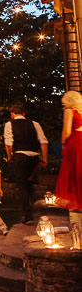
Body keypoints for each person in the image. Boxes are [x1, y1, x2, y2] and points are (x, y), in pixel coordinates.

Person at [5, 102, 49, 224]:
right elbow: (43, 141)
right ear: (23, 113)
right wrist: (44, 158)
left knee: (22, 185)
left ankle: (27, 215)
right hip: (34, 156)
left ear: (12, 114)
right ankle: (32, 210)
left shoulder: (10, 124)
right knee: (30, 185)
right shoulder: (35, 124)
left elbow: (8, 143)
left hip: (20, 156)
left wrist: (9, 156)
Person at [56, 91, 82, 230]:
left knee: (72, 171)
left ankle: (76, 201)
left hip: (74, 142)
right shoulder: (81, 111)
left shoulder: (69, 111)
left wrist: (63, 142)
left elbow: (66, 131)